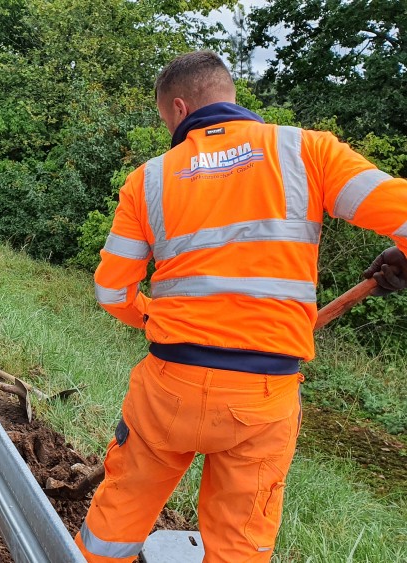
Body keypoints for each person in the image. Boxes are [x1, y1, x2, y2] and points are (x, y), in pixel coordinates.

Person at [78, 50, 407, 563]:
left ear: (180, 108)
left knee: (117, 518)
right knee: (240, 546)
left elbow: (110, 292)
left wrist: (153, 317)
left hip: (170, 384)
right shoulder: (308, 151)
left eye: (166, 119)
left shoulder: (150, 179)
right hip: (264, 393)